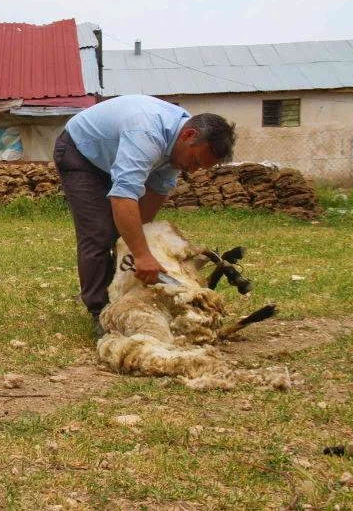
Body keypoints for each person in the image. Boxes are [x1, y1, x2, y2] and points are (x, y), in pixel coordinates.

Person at [53, 95, 236, 339]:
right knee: (99, 233)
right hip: (81, 153)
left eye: (199, 168)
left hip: (111, 157)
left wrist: (136, 244)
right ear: (188, 135)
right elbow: (123, 197)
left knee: (123, 235)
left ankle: (121, 294)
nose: (192, 170)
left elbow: (156, 192)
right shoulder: (146, 132)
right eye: (194, 161)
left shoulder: (178, 146)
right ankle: (100, 310)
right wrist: (141, 254)